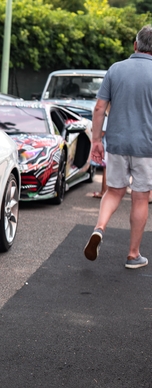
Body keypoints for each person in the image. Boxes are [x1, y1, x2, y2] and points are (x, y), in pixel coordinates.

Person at [84, 25, 152, 269]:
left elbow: (100, 108)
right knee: (141, 198)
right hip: (147, 147)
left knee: (114, 191)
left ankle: (99, 228)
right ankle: (133, 255)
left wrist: (96, 140)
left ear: (135, 45)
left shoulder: (115, 69)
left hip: (117, 142)